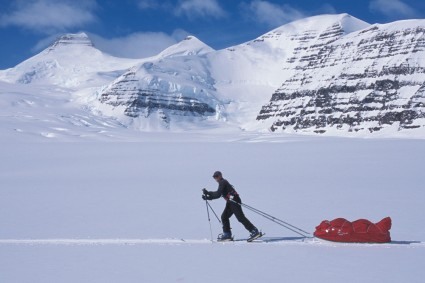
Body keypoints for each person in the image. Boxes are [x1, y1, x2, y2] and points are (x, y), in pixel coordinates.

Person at [202, 171, 261, 241]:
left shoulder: (223, 182)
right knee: (224, 217)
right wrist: (208, 195)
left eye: (217, 176)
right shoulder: (222, 183)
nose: (216, 178)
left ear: (220, 176)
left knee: (240, 217)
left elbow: (218, 194)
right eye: (214, 177)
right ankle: (227, 234)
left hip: (234, 200)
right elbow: (219, 193)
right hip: (231, 201)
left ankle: (254, 231)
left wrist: (208, 195)